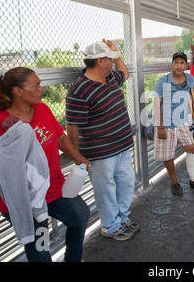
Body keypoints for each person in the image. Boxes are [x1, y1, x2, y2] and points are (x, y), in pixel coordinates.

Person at [0, 67, 90, 262]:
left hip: (52, 188)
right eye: (36, 85)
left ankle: (73, 259)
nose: (41, 89)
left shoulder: (43, 109)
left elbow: (60, 137)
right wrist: (15, 146)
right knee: (40, 247)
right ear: (18, 91)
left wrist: (76, 156)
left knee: (80, 216)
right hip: (25, 199)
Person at [65, 40, 139, 242]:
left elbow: (125, 72)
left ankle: (122, 218)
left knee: (126, 182)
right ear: (100, 61)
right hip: (100, 152)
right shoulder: (79, 90)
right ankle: (110, 225)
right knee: (105, 189)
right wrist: (78, 155)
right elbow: (73, 127)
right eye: (110, 59)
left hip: (122, 145)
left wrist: (116, 54)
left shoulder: (112, 77)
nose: (114, 63)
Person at [153, 52, 194, 195]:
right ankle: (174, 182)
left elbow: (193, 99)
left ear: (186, 65)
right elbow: (156, 104)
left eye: (182, 63)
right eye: (176, 62)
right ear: (172, 64)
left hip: (182, 121)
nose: (179, 65)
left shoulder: (190, 79)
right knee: (168, 156)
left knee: (192, 148)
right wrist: (160, 127)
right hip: (165, 123)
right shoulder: (163, 81)